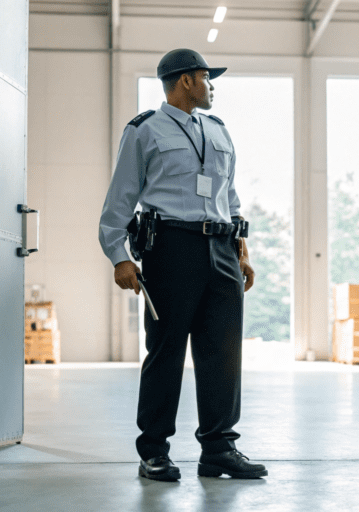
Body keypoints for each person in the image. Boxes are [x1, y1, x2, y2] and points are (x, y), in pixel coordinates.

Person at [97, 49, 267, 482]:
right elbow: (119, 201)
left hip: (223, 250)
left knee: (223, 353)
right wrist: (120, 257)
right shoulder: (144, 131)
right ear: (187, 80)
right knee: (166, 352)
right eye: (208, 79)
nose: (212, 87)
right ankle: (153, 450)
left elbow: (228, 196)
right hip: (170, 248)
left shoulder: (218, 131)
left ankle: (219, 449)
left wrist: (241, 247)